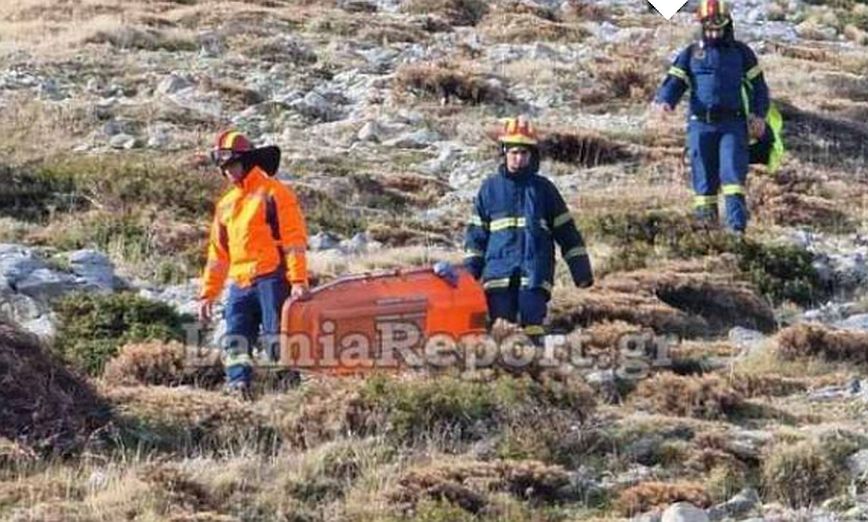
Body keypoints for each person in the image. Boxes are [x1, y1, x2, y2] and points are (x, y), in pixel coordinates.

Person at [198, 130, 310, 395]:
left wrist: (297, 280)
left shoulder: (275, 193)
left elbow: (294, 241)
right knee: (236, 338)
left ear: (246, 161)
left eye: (232, 165)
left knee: (277, 337)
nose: (228, 173)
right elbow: (218, 255)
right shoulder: (225, 205)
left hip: (273, 278)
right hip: (240, 283)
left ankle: (287, 389)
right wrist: (208, 294)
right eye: (223, 168)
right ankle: (238, 385)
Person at [464, 116, 594, 344]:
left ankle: (533, 369)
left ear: (532, 155)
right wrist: (468, 275)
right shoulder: (490, 189)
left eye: (524, 153)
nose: (519, 158)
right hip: (498, 275)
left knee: (532, 326)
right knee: (500, 329)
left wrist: (581, 271)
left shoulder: (544, 190)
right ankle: (504, 374)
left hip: (535, 273)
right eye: (514, 152)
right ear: (504, 152)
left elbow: (567, 232)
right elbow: (476, 236)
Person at [654, 0, 770, 233]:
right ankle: (705, 232)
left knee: (732, 176)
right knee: (704, 181)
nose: (714, 29)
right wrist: (665, 102)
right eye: (708, 24)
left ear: (727, 24)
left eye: (718, 24)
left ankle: (737, 231)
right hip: (700, 125)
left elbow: (759, 88)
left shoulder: (741, 53)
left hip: (732, 125)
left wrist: (759, 116)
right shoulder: (690, 53)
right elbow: (675, 81)